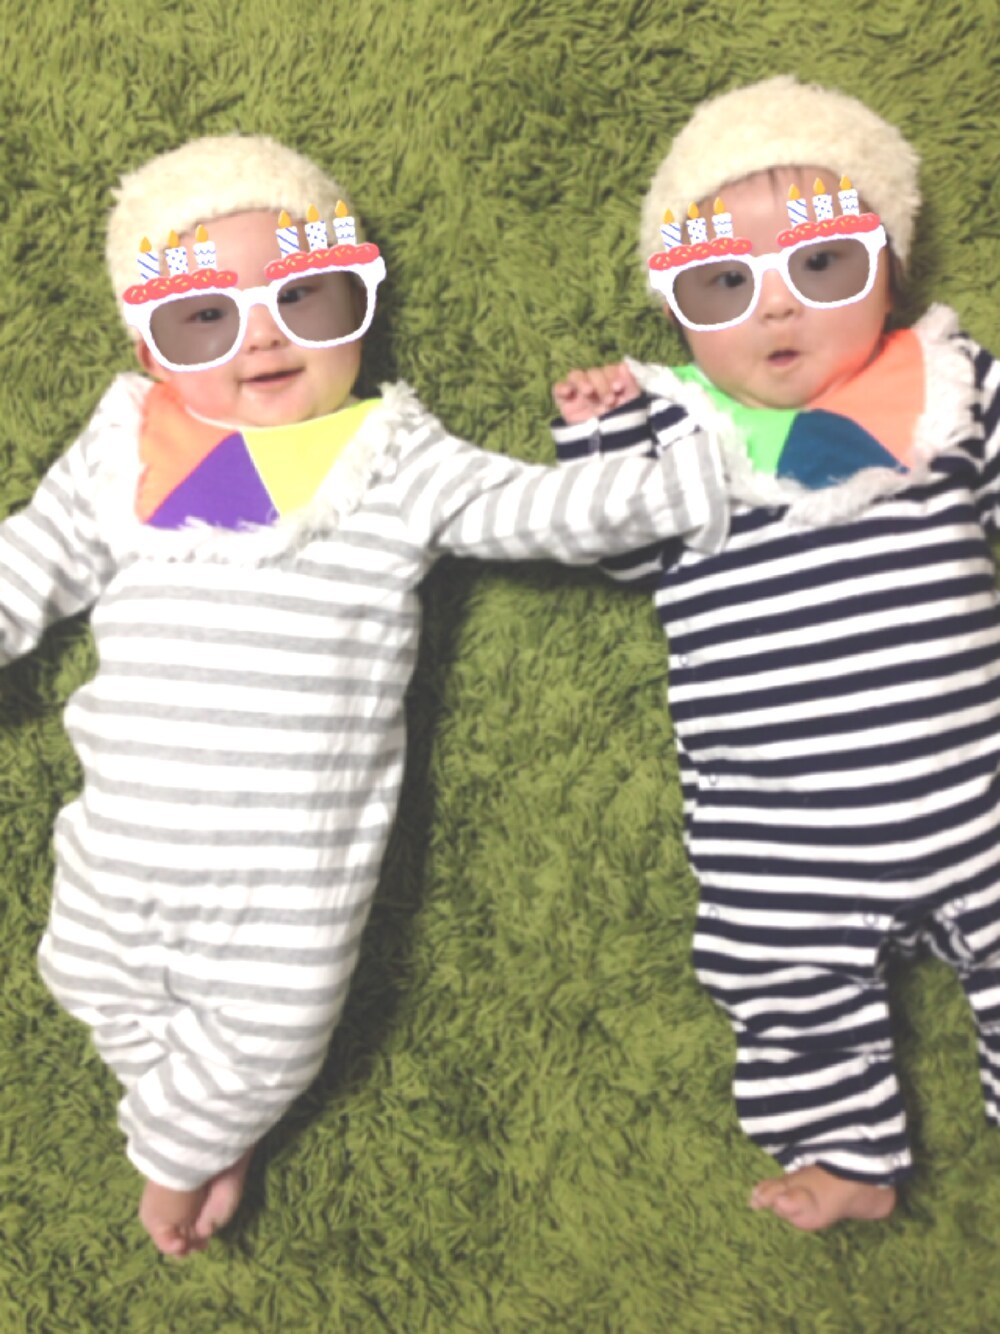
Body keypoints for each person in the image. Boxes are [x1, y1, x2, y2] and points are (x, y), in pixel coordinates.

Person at [0, 134, 728, 1258]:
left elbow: (536, 511)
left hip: (291, 882)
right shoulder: (122, 449)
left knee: (279, 1032)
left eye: (305, 295)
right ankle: (202, 1114)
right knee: (85, 972)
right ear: (148, 344)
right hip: (121, 845)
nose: (262, 335)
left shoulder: (395, 456)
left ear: (359, 303)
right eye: (204, 316)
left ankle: (181, 1146)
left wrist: (694, 476)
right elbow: (28, 564)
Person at [552, 75, 1000, 1232]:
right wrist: (598, 438)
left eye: (823, 264)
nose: (777, 307)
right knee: (771, 969)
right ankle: (844, 1149)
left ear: (889, 267)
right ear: (675, 312)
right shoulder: (672, 428)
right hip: (777, 825)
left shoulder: (949, 384)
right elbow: (617, 551)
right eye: (723, 282)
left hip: (974, 791)